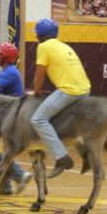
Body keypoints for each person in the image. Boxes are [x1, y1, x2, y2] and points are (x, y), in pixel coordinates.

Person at [28, 18, 92, 177]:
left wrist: (35, 92)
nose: (36, 36)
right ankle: (85, 152)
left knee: (38, 120)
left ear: (41, 34)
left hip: (69, 91)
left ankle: (62, 158)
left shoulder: (43, 46)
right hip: (86, 90)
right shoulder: (64, 46)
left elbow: (40, 74)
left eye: (37, 33)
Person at [0, 42, 33, 194]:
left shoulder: (9, 72)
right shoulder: (8, 71)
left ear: (5, 57)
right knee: (1, 147)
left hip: (11, 117)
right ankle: (5, 185)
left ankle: (19, 175)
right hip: (11, 115)